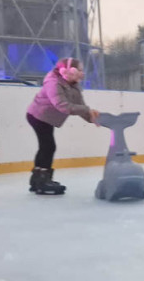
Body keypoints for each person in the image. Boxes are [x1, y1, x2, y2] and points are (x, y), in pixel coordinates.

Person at [25, 57, 99, 195]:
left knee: (45, 147)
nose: (82, 73)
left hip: (46, 118)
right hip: (38, 116)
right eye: (80, 70)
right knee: (48, 146)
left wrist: (92, 118)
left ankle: (37, 180)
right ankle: (43, 181)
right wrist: (87, 110)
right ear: (70, 71)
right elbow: (62, 106)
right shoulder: (53, 82)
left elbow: (80, 105)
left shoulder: (73, 84)